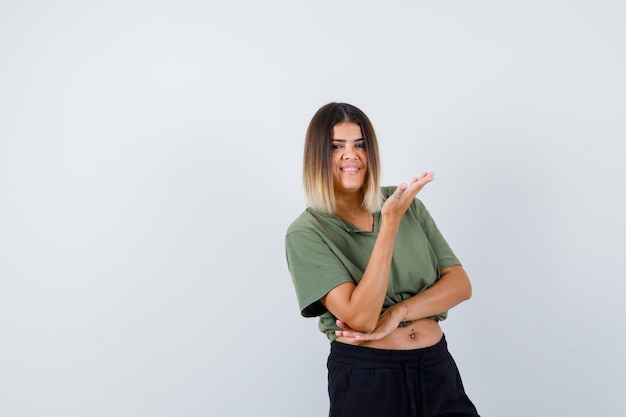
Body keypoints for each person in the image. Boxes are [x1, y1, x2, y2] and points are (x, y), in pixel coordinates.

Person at [285, 102, 480, 417]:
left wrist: (398, 313)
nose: (351, 154)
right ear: (316, 157)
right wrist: (389, 224)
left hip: (436, 370)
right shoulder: (306, 232)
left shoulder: (407, 206)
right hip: (370, 378)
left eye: (360, 144)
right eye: (337, 147)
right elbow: (360, 318)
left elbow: (460, 284)